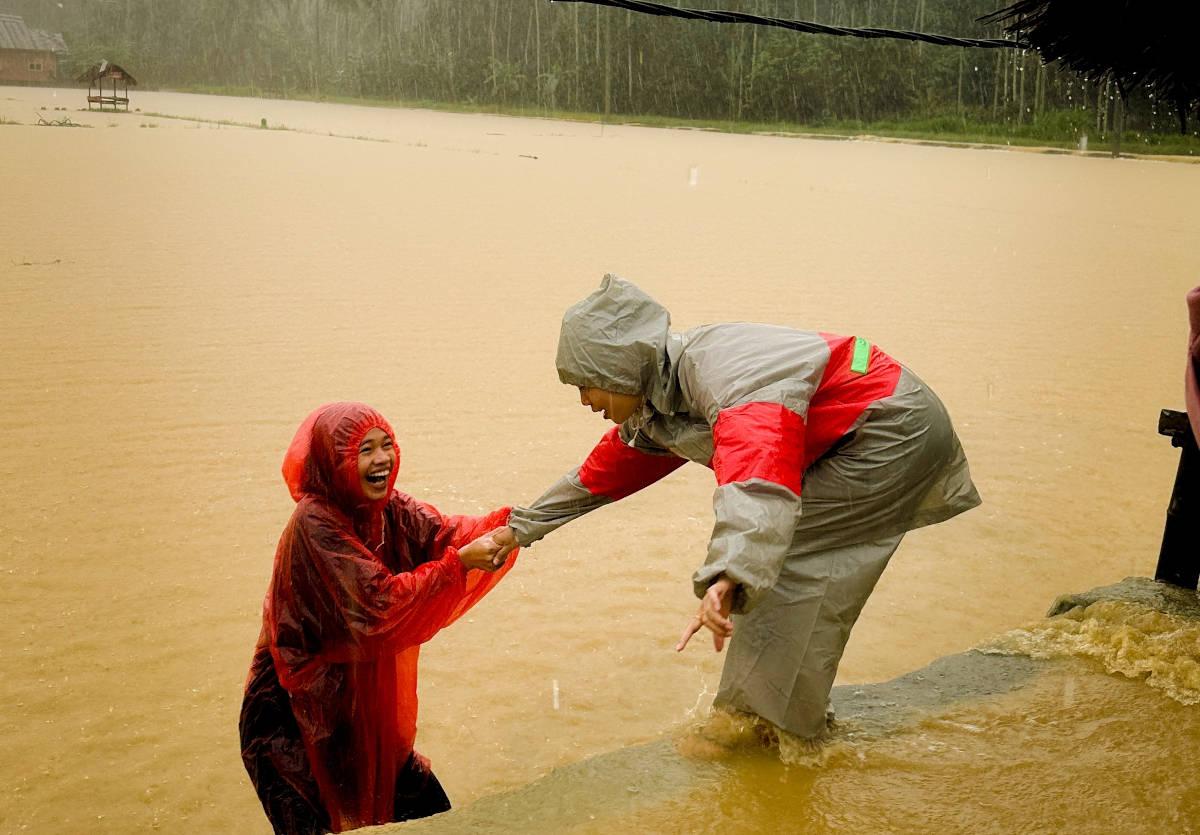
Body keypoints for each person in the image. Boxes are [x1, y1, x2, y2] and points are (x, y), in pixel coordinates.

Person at [489, 274, 980, 741]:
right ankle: (775, 717)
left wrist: (729, 573)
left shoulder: (725, 378)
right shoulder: (663, 394)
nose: (583, 399)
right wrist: (520, 528)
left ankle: (767, 729)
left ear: (619, 369)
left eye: (585, 384)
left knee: (789, 561)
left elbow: (757, 478)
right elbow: (604, 472)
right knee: (778, 561)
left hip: (888, 430)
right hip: (863, 431)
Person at [239, 402, 516, 834]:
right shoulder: (315, 524)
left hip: (360, 713)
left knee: (435, 816)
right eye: (364, 450)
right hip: (293, 714)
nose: (382, 459)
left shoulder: (388, 510)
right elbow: (377, 608)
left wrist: (514, 524)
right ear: (333, 461)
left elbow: (444, 534)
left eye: (387, 445)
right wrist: (459, 564)